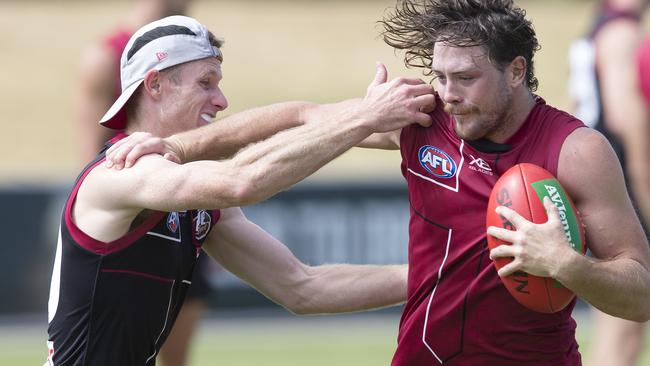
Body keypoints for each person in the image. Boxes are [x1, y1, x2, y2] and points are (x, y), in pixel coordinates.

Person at [109, 2, 650, 365]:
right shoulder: (425, 117)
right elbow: (300, 116)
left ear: (516, 70)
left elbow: (641, 293)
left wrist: (567, 265)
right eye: (440, 75)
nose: (448, 92)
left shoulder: (576, 150)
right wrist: (177, 148)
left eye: (466, 78)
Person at [44, 15, 435, 366]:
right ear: (155, 84)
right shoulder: (120, 174)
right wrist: (362, 118)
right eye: (205, 83)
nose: (221, 100)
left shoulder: (193, 198)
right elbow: (241, 181)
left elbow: (302, 287)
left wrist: (442, 272)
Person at [73, 2, 208, 365]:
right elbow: (93, 150)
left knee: (171, 353)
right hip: (135, 196)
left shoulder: (189, 44)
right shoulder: (107, 54)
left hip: (183, 196)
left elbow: (298, 287)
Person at [568, 0, 650, 365]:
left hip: (597, 179)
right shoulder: (622, 33)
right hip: (622, 183)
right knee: (628, 320)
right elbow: (625, 119)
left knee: (614, 319)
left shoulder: (596, 28)